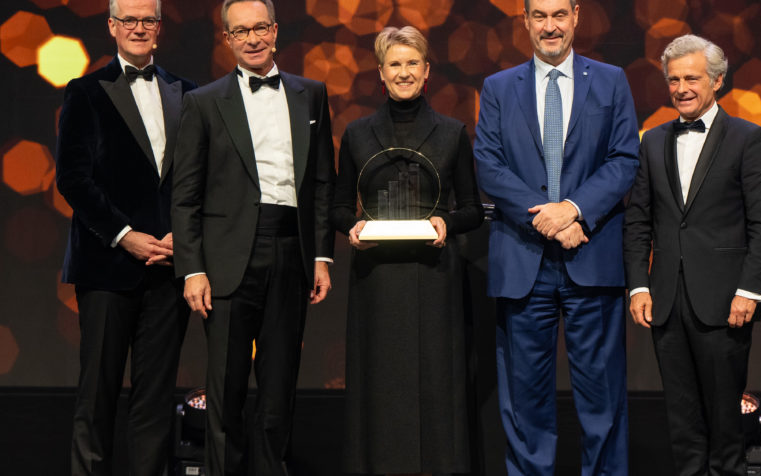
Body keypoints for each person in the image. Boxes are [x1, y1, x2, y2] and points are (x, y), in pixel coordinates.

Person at [473, 0, 640, 473]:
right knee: (524, 401)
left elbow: (624, 158)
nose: (550, 26)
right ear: (525, 21)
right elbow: (489, 164)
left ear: (576, 16)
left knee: (602, 398)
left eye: (559, 15)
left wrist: (573, 211)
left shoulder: (610, 80)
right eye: (540, 16)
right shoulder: (499, 87)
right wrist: (545, 219)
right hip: (524, 262)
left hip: (592, 255)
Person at [170, 0, 334, 474]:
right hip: (225, 258)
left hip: (291, 250)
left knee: (280, 384)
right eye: (240, 32)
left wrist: (322, 256)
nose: (252, 38)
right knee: (226, 385)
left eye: (260, 27)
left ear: (276, 30)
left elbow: (323, 181)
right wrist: (193, 268)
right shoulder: (203, 102)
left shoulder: (312, 94)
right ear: (227, 39)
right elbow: (185, 195)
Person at [330, 26, 484, 476]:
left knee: (437, 381)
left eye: (412, 63)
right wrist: (352, 227)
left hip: (435, 275)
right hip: (376, 277)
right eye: (395, 64)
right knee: (379, 383)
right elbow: (339, 207)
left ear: (427, 71)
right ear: (381, 73)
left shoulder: (453, 132)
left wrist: (447, 222)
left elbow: (473, 209)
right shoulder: (357, 134)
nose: (404, 72)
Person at [624, 34, 761, 476]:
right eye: (673, 80)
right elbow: (638, 220)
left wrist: (750, 290)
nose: (681, 88)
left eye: (691, 78)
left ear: (717, 81)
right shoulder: (652, 141)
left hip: (726, 300)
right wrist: (638, 283)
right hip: (667, 301)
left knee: (726, 423)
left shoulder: (749, 139)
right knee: (682, 419)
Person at [55, 0, 195, 474]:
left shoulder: (188, 93)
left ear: (159, 28)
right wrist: (124, 234)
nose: (139, 28)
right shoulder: (86, 91)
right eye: (129, 20)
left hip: (170, 267)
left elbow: (201, 177)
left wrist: (185, 234)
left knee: (155, 402)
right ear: (112, 26)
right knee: (97, 397)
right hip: (107, 266)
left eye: (147, 20)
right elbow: (74, 179)